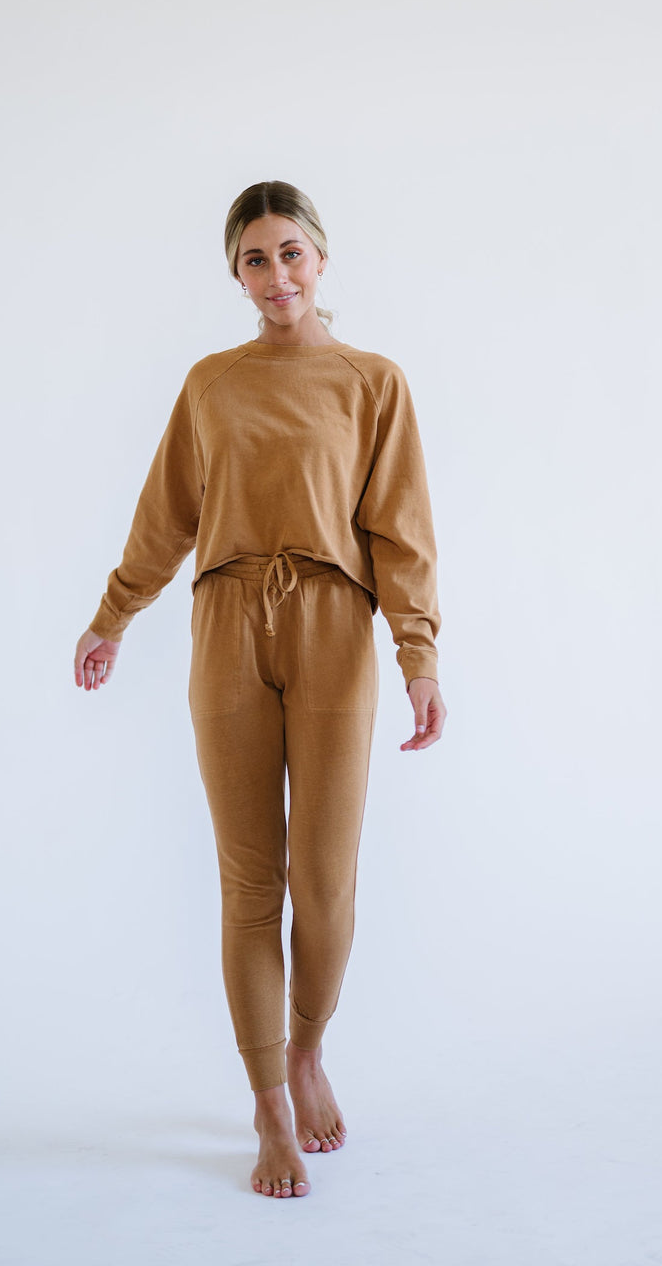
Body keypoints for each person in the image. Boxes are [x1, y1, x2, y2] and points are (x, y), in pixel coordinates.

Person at [73, 180, 446, 1199]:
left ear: (320, 259)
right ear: (235, 274)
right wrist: (113, 615)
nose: (276, 275)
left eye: (290, 253)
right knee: (251, 881)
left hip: (333, 624)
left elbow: (401, 532)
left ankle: (308, 1046)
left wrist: (417, 656)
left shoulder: (373, 382)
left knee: (324, 881)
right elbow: (166, 515)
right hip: (229, 622)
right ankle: (269, 1101)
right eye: (254, 259)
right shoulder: (211, 384)